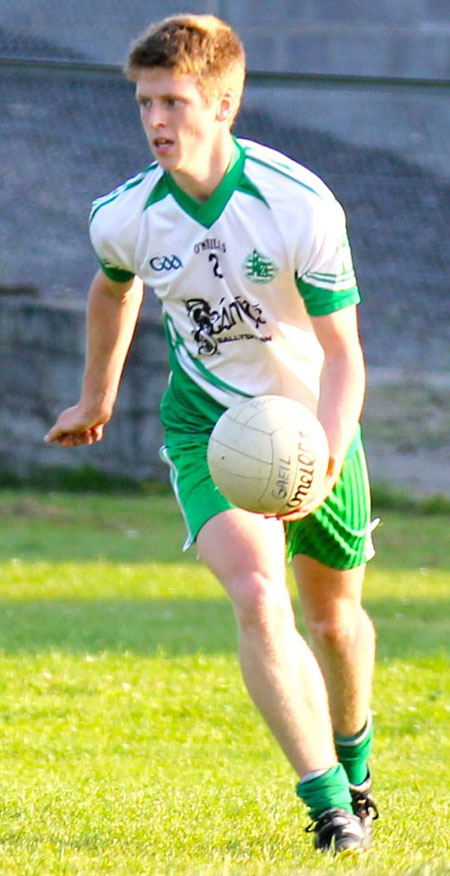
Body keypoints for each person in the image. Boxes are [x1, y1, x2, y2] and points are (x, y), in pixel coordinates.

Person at [45, 14, 379, 855]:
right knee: (260, 599)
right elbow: (112, 289)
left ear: (223, 104)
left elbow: (344, 356)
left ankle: (357, 761)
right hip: (211, 427)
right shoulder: (128, 214)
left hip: (312, 423)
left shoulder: (298, 203)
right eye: (145, 102)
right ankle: (330, 807)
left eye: (175, 101)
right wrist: (97, 395)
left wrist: (328, 453)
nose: (156, 120)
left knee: (335, 623)